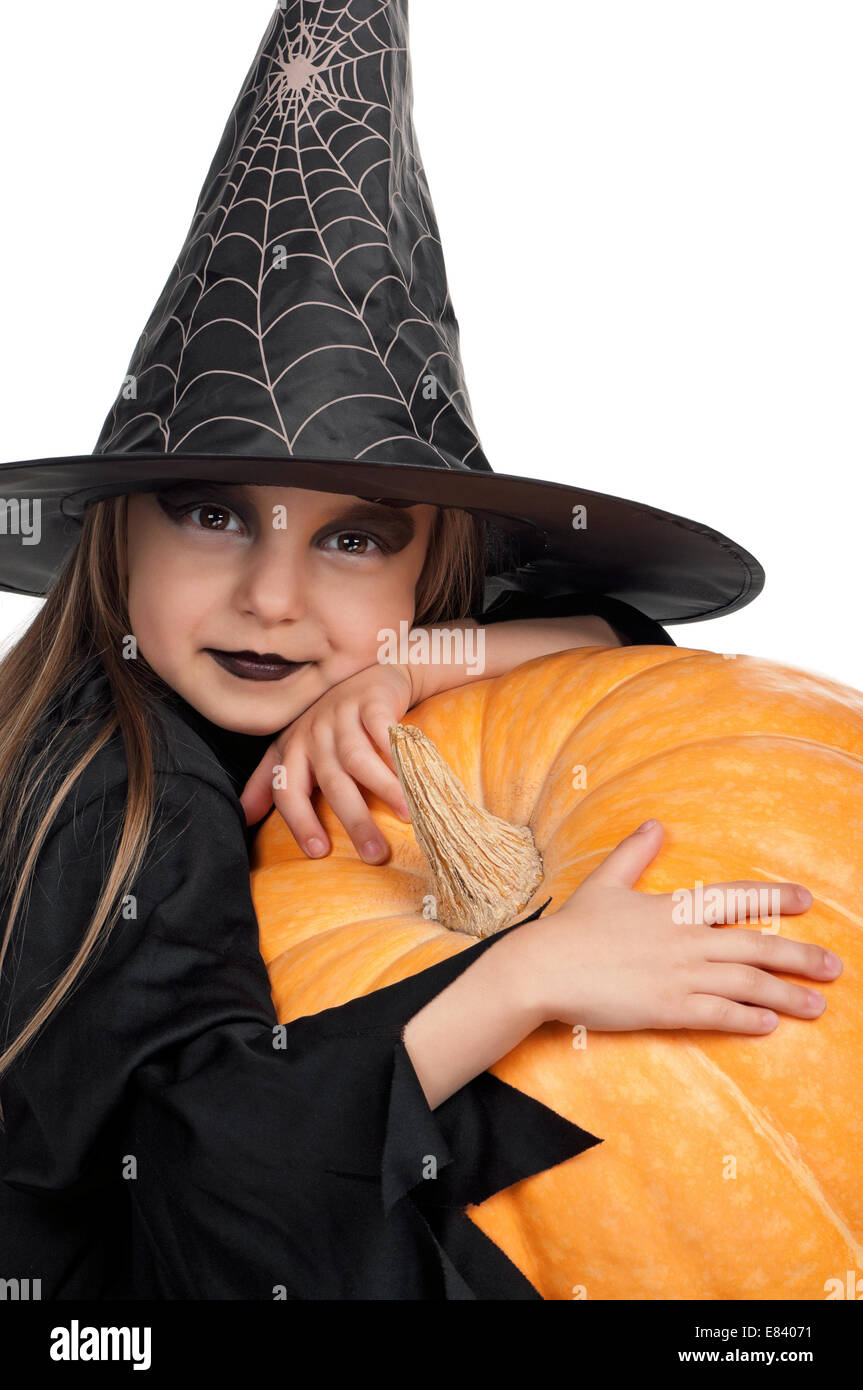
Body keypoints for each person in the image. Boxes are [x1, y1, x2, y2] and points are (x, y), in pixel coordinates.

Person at [0, 0, 841, 1299]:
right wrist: (530, 973)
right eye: (214, 510)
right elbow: (206, 1183)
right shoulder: (126, 803)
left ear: (434, 564)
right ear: (119, 526)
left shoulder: (317, 687)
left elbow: (624, 656)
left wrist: (421, 662)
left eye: (354, 539)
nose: (273, 597)